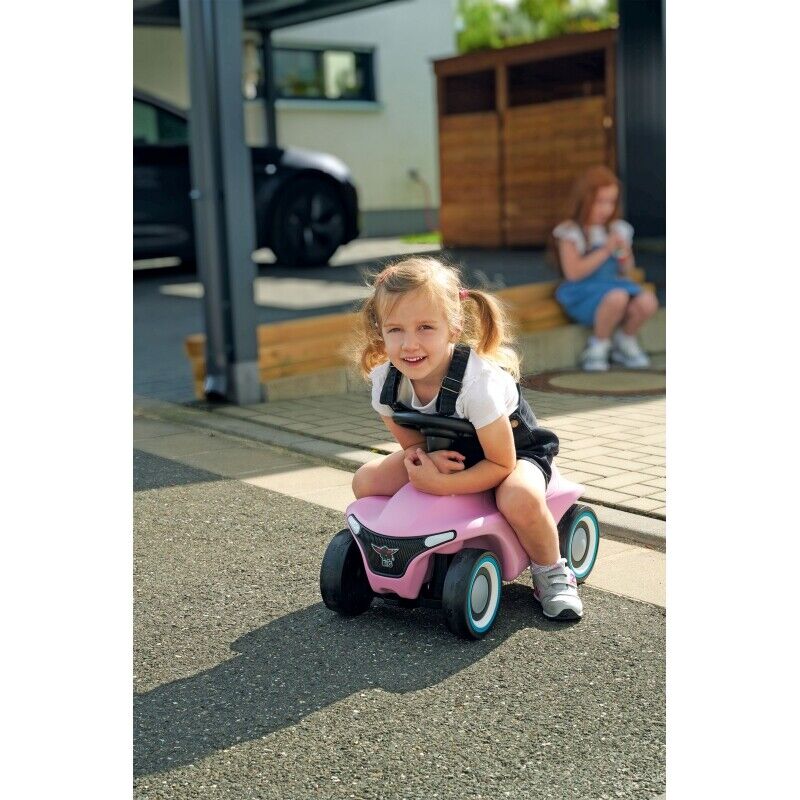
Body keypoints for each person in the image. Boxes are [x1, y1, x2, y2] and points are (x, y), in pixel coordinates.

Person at [350, 256, 583, 620]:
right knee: (365, 480)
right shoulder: (386, 382)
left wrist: (442, 485)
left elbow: (501, 463)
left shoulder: (478, 386)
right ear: (381, 330)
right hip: (444, 449)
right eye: (396, 330)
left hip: (514, 454)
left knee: (518, 496)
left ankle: (552, 570)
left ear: (453, 327)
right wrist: (422, 459)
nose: (410, 344)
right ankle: (396, 548)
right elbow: (410, 442)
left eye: (425, 327)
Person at [552, 165, 659, 372]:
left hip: (612, 285)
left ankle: (625, 340)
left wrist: (624, 253)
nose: (606, 209)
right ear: (585, 200)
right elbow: (573, 273)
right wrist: (605, 250)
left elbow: (626, 270)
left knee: (648, 300)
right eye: (600, 202)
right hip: (583, 292)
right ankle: (598, 345)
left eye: (611, 202)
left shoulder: (615, 229)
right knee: (617, 296)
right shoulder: (571, 232)